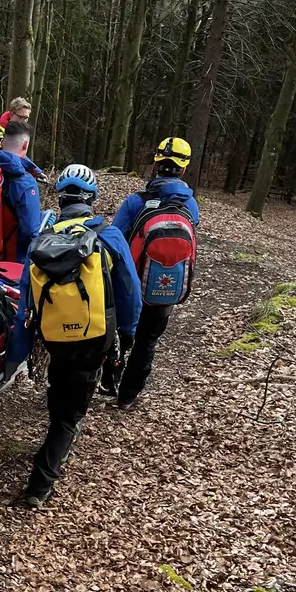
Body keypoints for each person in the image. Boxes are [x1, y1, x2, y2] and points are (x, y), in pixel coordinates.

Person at [7, 164, 141, 508]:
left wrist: (17, 355)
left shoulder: (41, 242)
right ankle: (40, 484)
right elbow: (130, 293)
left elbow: (25, 305)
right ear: (91, 199)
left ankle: (58, 428)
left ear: (61, 199)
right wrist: (127, 334)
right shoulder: (109, 236)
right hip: (95, 337)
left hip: (55, 338)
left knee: (61, 388)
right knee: (71, 413)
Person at [103, 137, 202, 407]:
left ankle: (109, 380)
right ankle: (128, 396)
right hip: (166, 286)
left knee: (119, 334)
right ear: (184, 168)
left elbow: (114, 239)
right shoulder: (190, 205)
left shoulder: (135, 202)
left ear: (156, 163)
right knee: (147, 341)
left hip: (130, 285)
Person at [0, 121, 44, 266]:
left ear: (2, 143)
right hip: (14, 262)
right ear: (25, 145)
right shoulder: (25, 183)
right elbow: (30, 231)